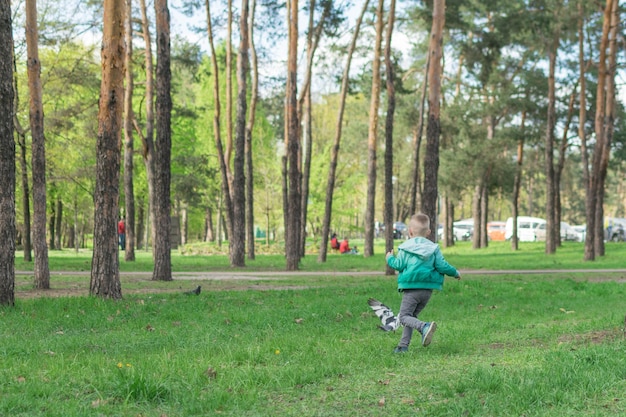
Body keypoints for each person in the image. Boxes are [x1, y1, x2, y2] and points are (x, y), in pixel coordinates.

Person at [385, 213, 461, 353]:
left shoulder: (405, 248)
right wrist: (455, 272)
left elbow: (398, 265)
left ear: (410, 231)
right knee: (410, 316)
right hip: (427, 291)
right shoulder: (434, 248)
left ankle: (423, 327)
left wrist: (389, 258)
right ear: (428, 232)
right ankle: (403, 346)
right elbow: (442, 266)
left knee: (403, 317)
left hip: (411, 288)